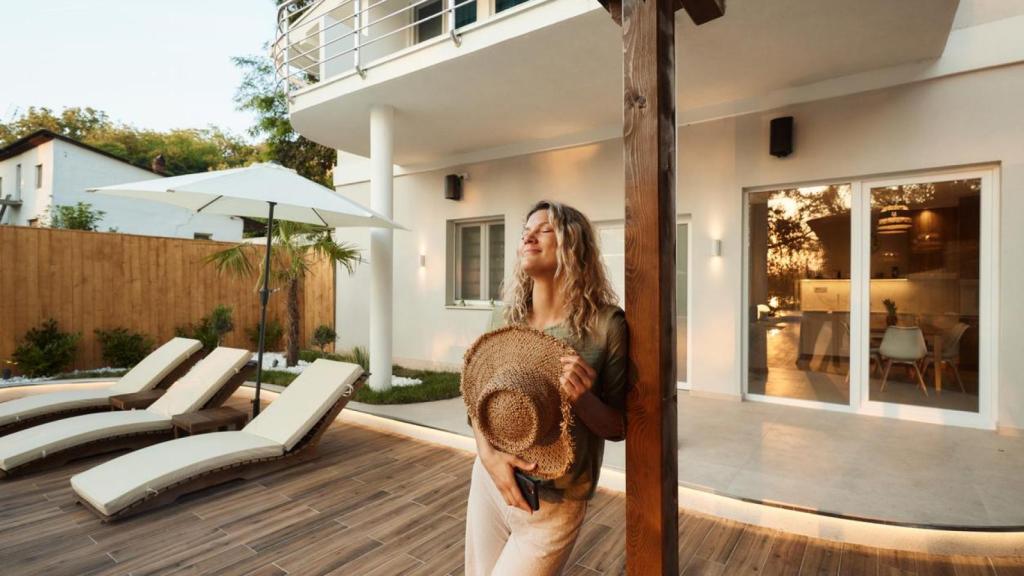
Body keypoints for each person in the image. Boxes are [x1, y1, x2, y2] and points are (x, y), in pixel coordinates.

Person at [465, 200, 629, 576]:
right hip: (491, 481)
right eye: (526, 229)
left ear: (573, 244)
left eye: (544, 228)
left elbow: (618, 427)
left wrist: (583, 399)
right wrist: (490, 459)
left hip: (555, 504)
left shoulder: (606, 326)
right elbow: (477, 401)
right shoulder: (503, 317)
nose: (528, 234)